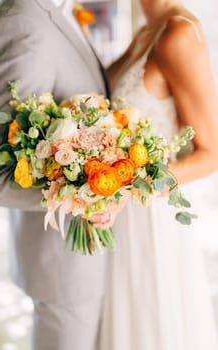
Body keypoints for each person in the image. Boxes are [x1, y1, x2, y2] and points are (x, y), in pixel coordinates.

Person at [0, 0, 109, 349]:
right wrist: (87, 196)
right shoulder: (23, 22)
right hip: (62, 262)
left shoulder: (58, 10)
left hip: (83, 257)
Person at [97, 1, 218, 349]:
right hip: (117, 211)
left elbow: (211, 155)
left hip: (148, 215)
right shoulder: (147, 27)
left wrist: (129, 188)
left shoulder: (178, 35)